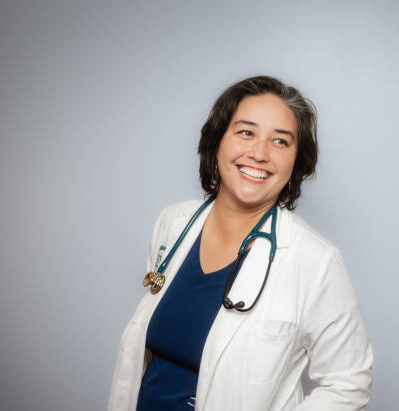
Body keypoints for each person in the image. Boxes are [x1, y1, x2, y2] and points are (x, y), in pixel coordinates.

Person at [109, 76, 373, 410]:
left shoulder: (316, 261)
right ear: (217, 140)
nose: (260, 153)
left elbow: (348, 384)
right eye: (246, 132)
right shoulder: (173, 224)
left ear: (296, 160)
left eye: (280, 141)